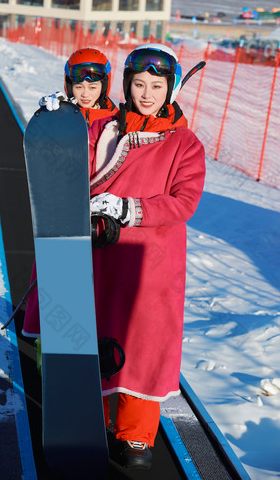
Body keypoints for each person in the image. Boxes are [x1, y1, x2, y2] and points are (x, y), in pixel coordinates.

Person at [87, 43, 205, 469]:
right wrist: (57, 118)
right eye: (139, 84)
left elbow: (184, 202)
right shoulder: (105, 131)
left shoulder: (184, 144)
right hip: (103, 255)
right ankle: (95, 420)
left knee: (145, 345)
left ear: (170, 90)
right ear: (126, 85)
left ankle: (135, 434)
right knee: (99, 336)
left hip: (153, 264)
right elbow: (72, 166)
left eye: (157, 85)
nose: (147, 93)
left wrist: (131, 208)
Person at [22, 48, 118, 337]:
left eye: (93, 86)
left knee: (93, 284)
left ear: (105, 84)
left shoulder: (116, 118)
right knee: (55, 280)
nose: (86, 92)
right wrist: (48, 121)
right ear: (68, 85)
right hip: (64, 210)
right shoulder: (63, 114)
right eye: (78, 86)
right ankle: (46, 342)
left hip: (97, 212)